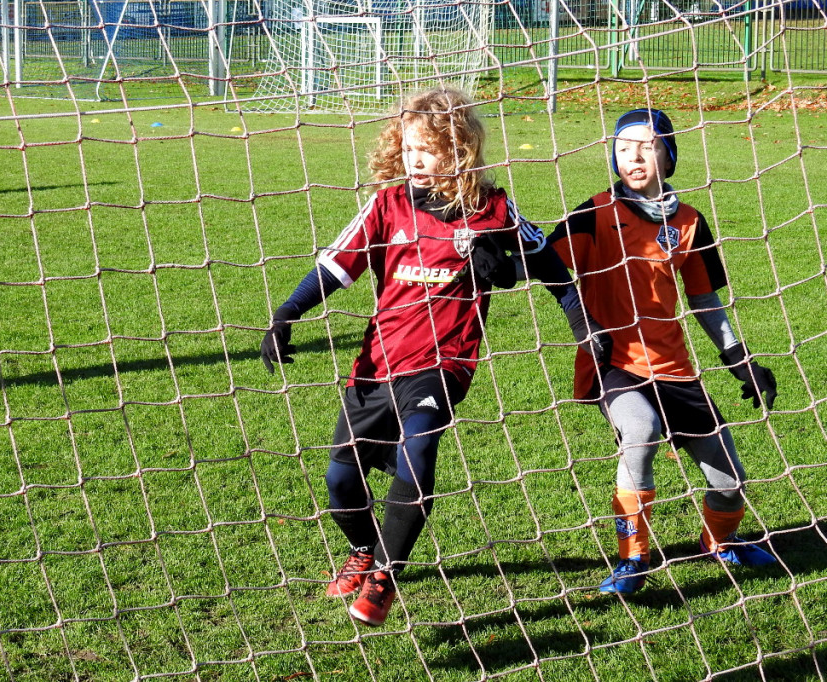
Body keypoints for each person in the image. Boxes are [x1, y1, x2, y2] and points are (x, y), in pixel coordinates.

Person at [260, 85, 610, 626]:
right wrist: (287, 313)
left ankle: (385, 578)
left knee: (418, 452)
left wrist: (582, 326)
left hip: (446, 362)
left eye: (427, 147)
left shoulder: (494, 209)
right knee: (340, 482)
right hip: (377, 364)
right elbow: (336, 266)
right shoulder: (387, 204)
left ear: (460, 148)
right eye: (407, 147)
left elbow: (552, 270)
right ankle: (364, 550)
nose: (414, 159)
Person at [546, 109, 779, 595]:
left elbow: (704, 300)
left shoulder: (690, 222)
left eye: (647, 145)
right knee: (640, 428)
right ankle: (632, 560)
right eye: (624, 145)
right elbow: (545, 262)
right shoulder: (594, 212)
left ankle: (721, 541)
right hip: (613, 362)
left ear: (668, 155)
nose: (633, 154)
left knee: (729, 481)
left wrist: (741, 361)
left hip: (674, 369)